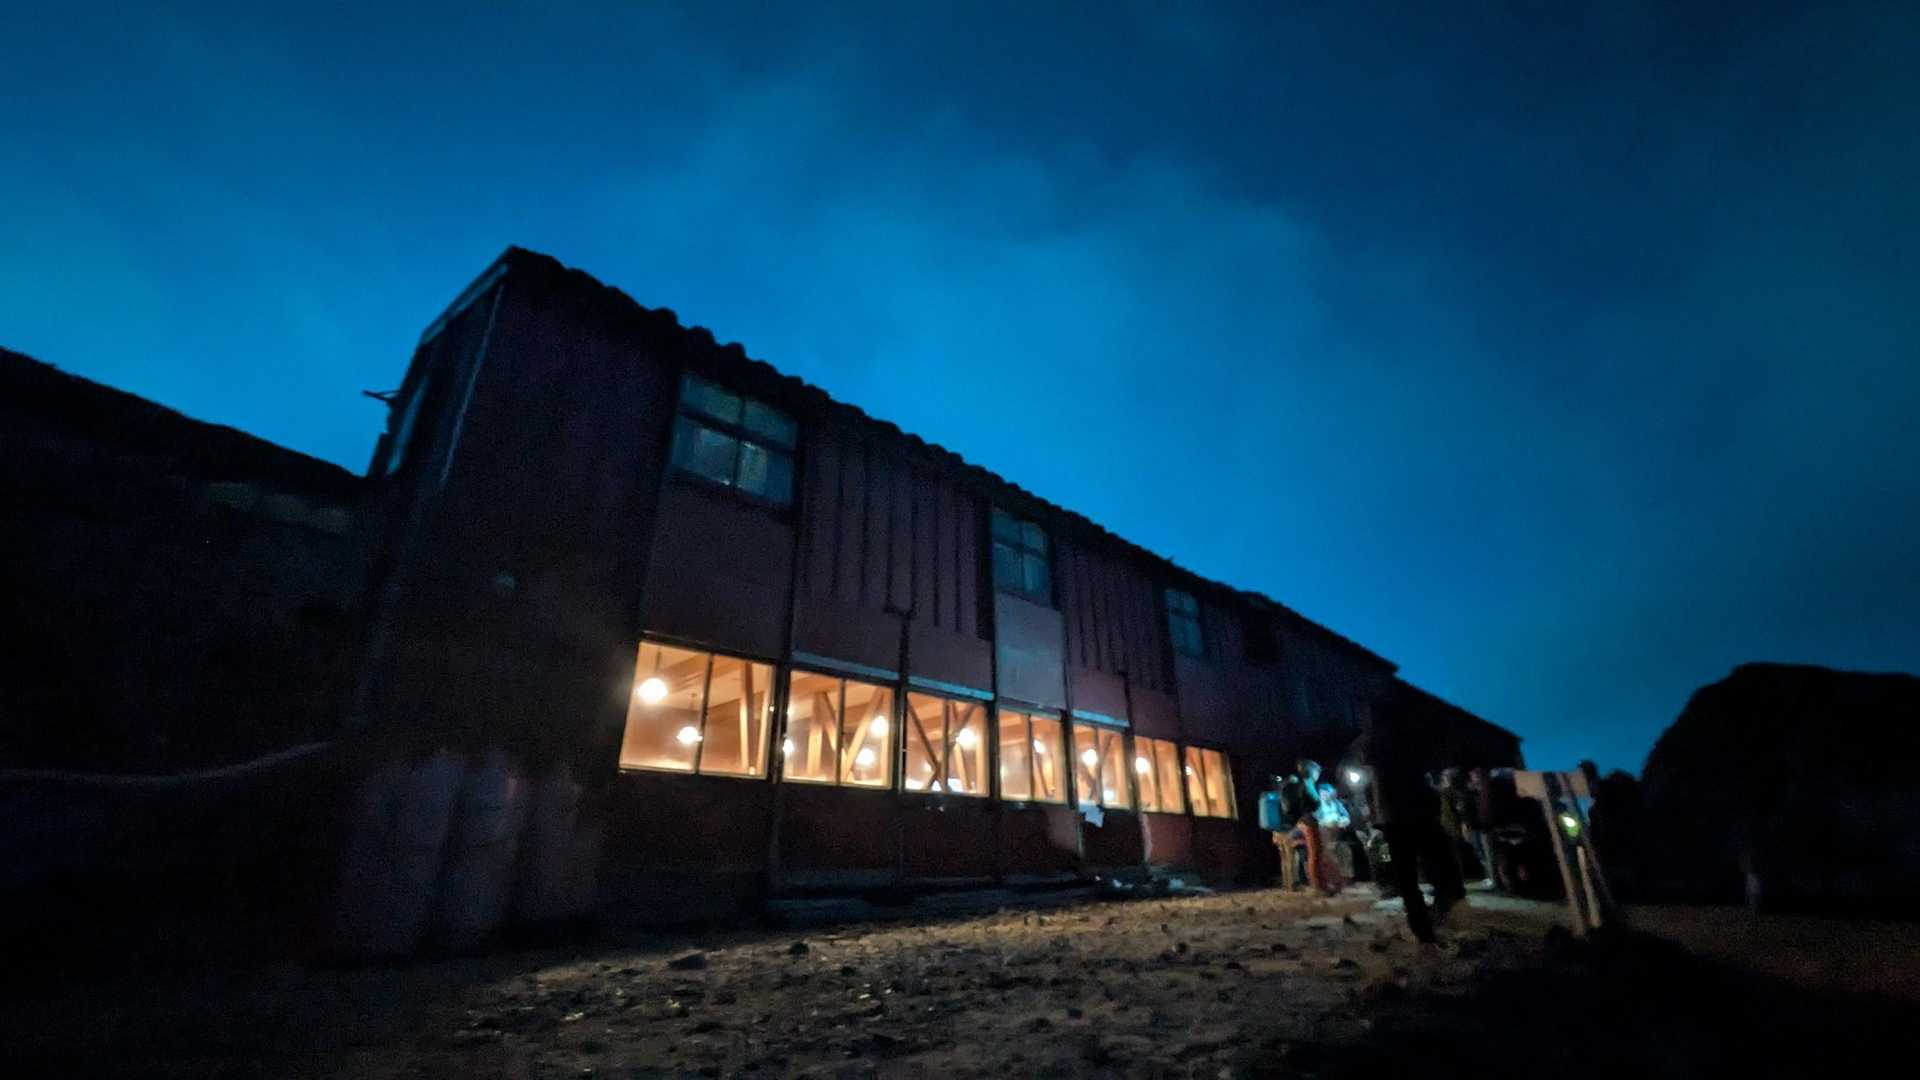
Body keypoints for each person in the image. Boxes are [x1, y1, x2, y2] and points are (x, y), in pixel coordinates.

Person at [1360, 721, 1466, 944]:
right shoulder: (1403, 752)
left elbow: (1378, 791)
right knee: (1422, 871)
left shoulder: (1381, 756)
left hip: (1401, 820)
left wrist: (1381, 820)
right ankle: (1429, 920)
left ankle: (1424, 924)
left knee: (1410, 876)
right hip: (1412, 817)